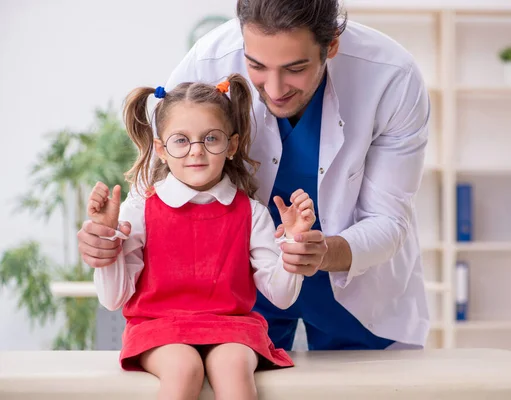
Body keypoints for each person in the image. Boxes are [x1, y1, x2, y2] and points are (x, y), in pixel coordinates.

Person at [78, 0, 431, 352]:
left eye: (296, 68)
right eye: (256, 66)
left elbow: (387, 218)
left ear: (331, 46)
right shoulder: (210, 61)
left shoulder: (391, 76)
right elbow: (165, 170)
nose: (275, 90)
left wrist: (323, 253)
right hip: (236, 292)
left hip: (357, 286)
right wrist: (109, 238)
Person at [86, 73, 318, 400]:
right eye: (181, 140)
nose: (196, 151)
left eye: (211, 138)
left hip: (233, 330)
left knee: (233, 368)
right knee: (183, 368)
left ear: (232, 145)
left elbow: (280, 297)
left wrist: (293, 243)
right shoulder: (139, 208)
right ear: (161, 150)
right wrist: (109, 239)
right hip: (159, 328)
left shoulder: (251, 213)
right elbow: (113, 299)